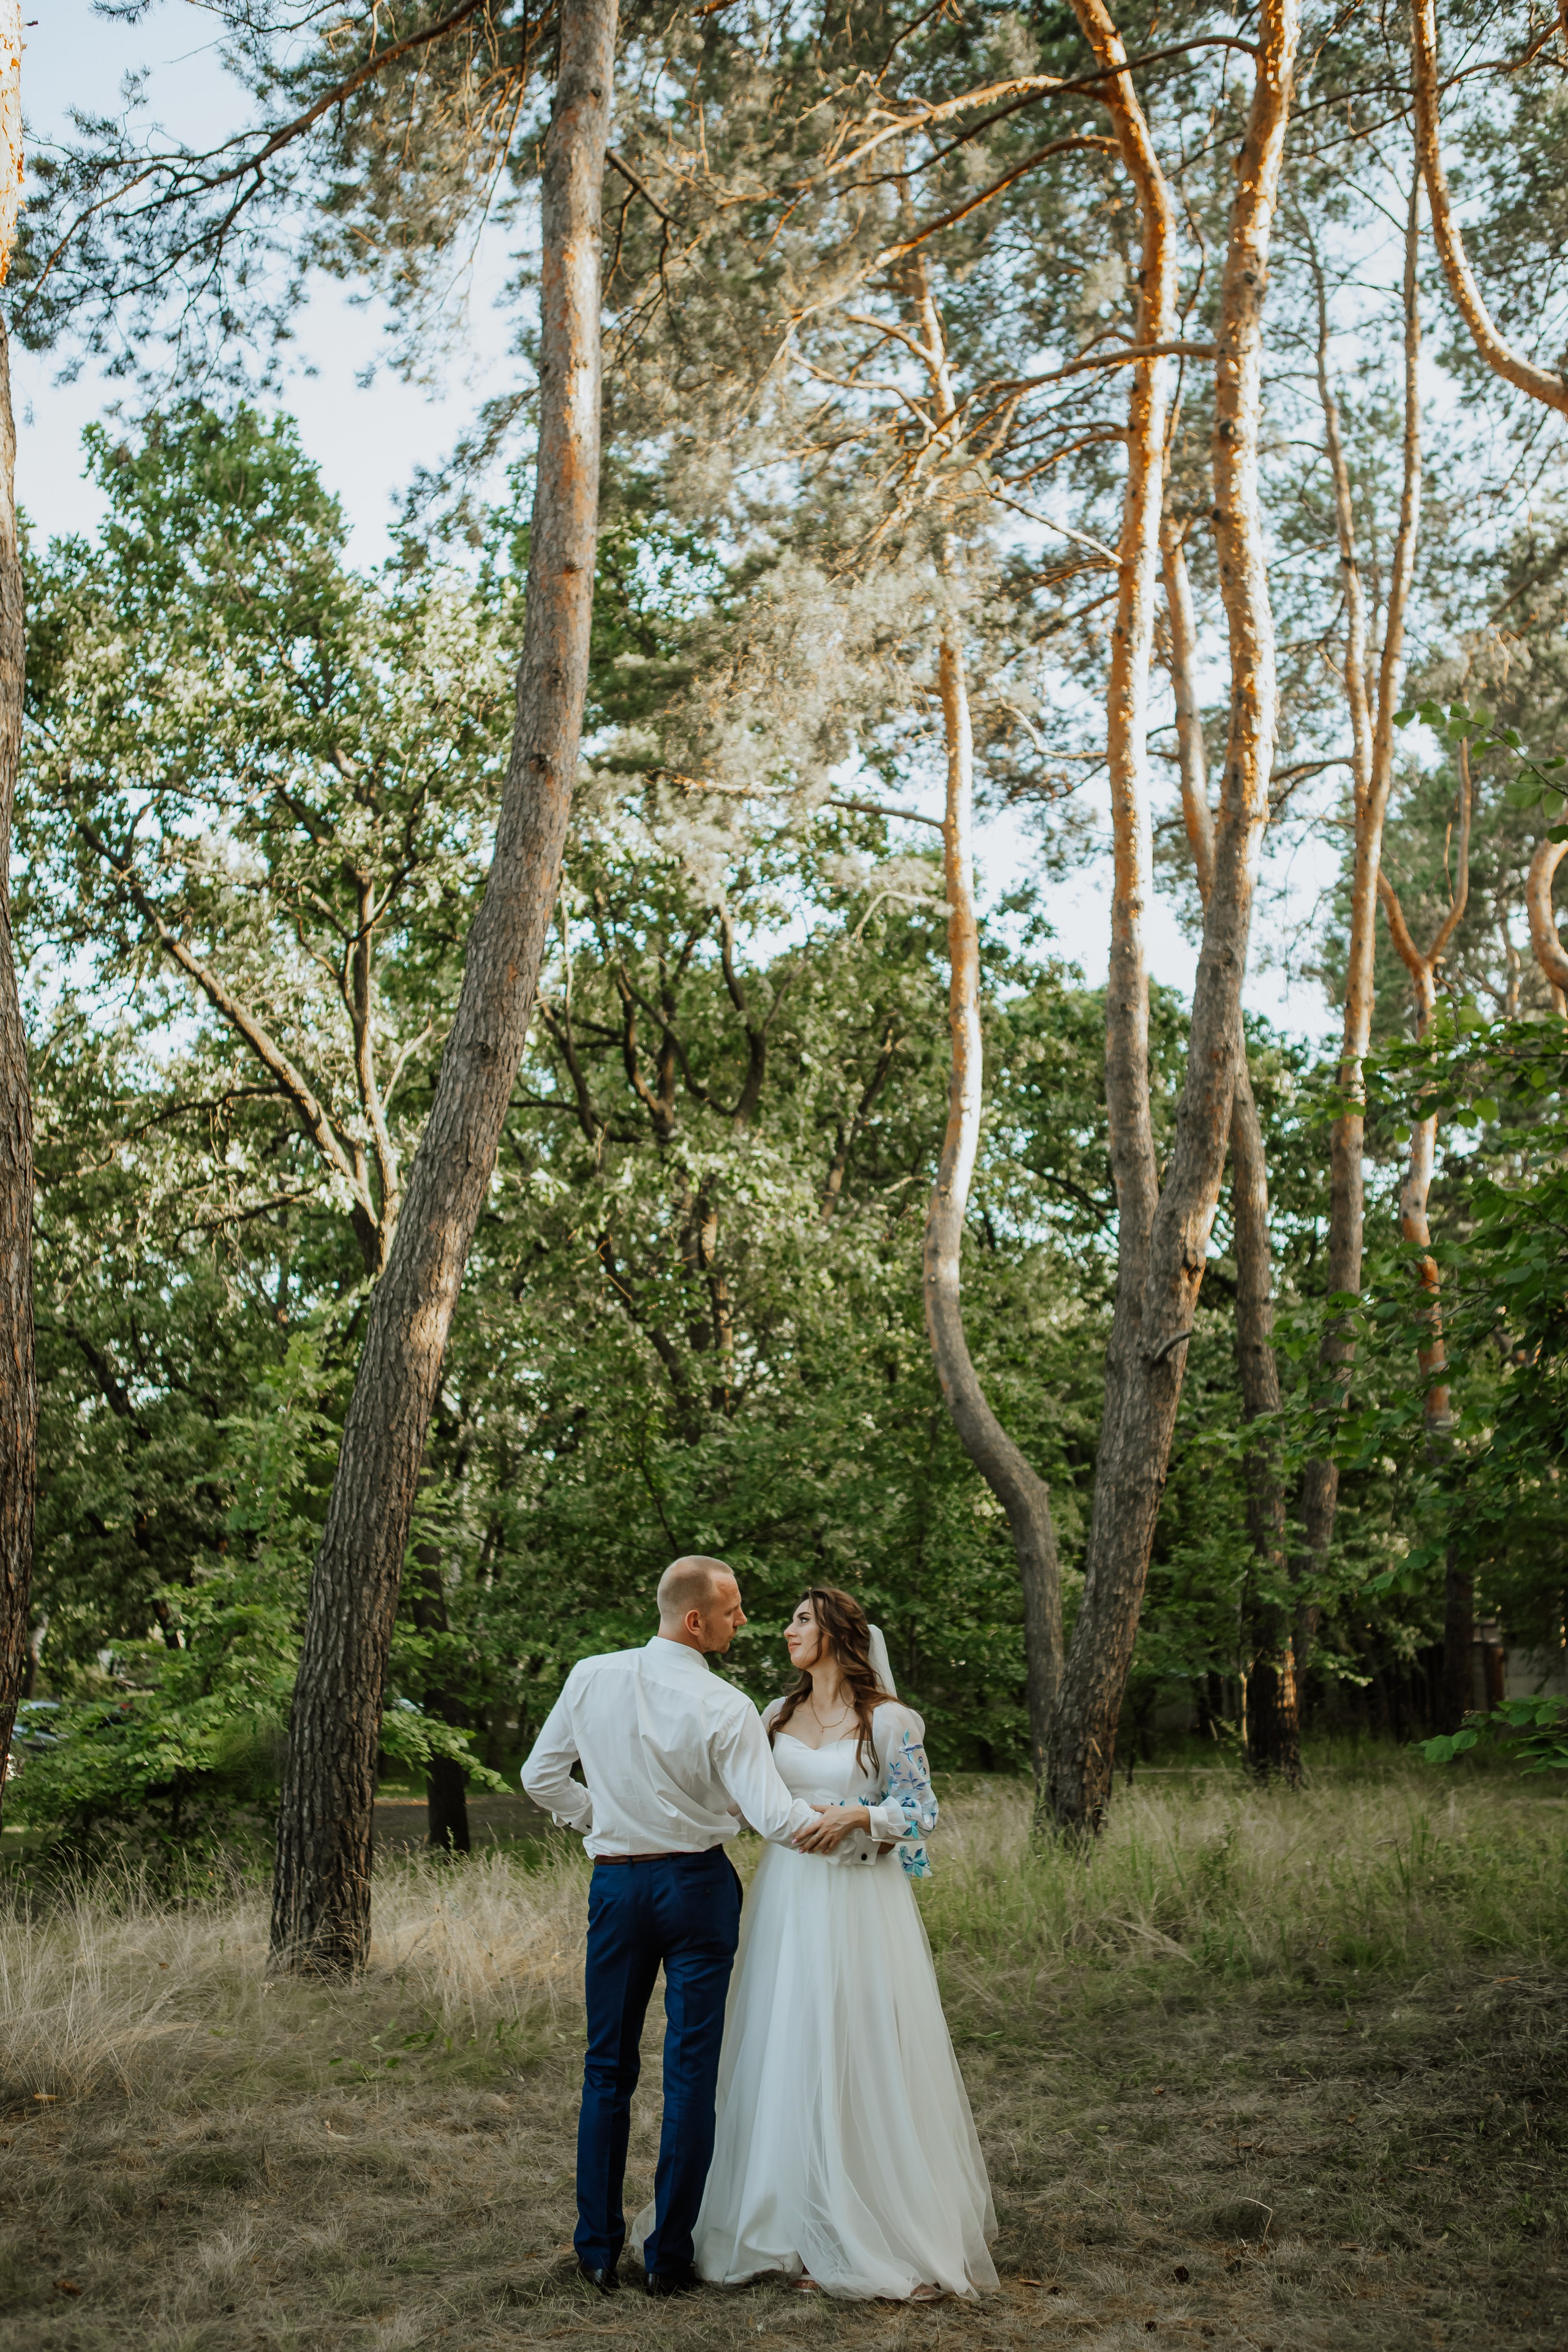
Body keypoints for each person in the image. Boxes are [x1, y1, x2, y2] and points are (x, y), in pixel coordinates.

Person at [684, 1585, 998, 2301]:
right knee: (784, 2040)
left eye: (800, 1619)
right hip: (788, 1898)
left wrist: (859, 1814)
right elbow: (741, 1796)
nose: (786, 1630)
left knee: (853, 2043)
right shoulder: (773, 1715)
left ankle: (864, 2221)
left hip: (859, 1902)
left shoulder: (888, 1721)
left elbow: (922, 1811)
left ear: (834, 1630)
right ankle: (777, 2225)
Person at [521, 1556, 821, 2301]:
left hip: (618, 1887)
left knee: (607, 2067)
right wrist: (866, 1821)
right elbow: (775, 1818)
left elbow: (539, 1776)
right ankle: (667, 2258)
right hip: (695, 1889)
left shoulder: (591, 1674)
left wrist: (602, 1818)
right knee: (691, 2076)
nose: (743, 1621)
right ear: (696, 1620)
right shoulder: (726, 1705)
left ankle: (595, 2250)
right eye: (734, 1610)